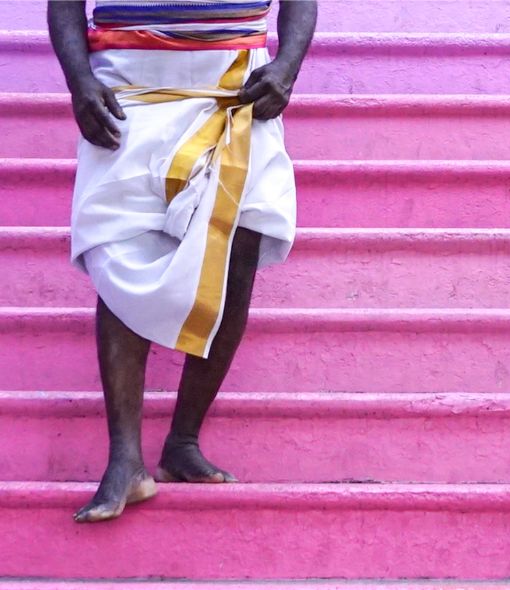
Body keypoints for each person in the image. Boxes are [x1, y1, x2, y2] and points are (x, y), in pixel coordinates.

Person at [47, 0, 318, 522]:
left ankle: (183, 443)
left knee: (237, 255)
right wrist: (79, 81)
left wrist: (286, 68)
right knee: (120, 251)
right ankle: (124, 460)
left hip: (234, 87)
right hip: (127, 90)